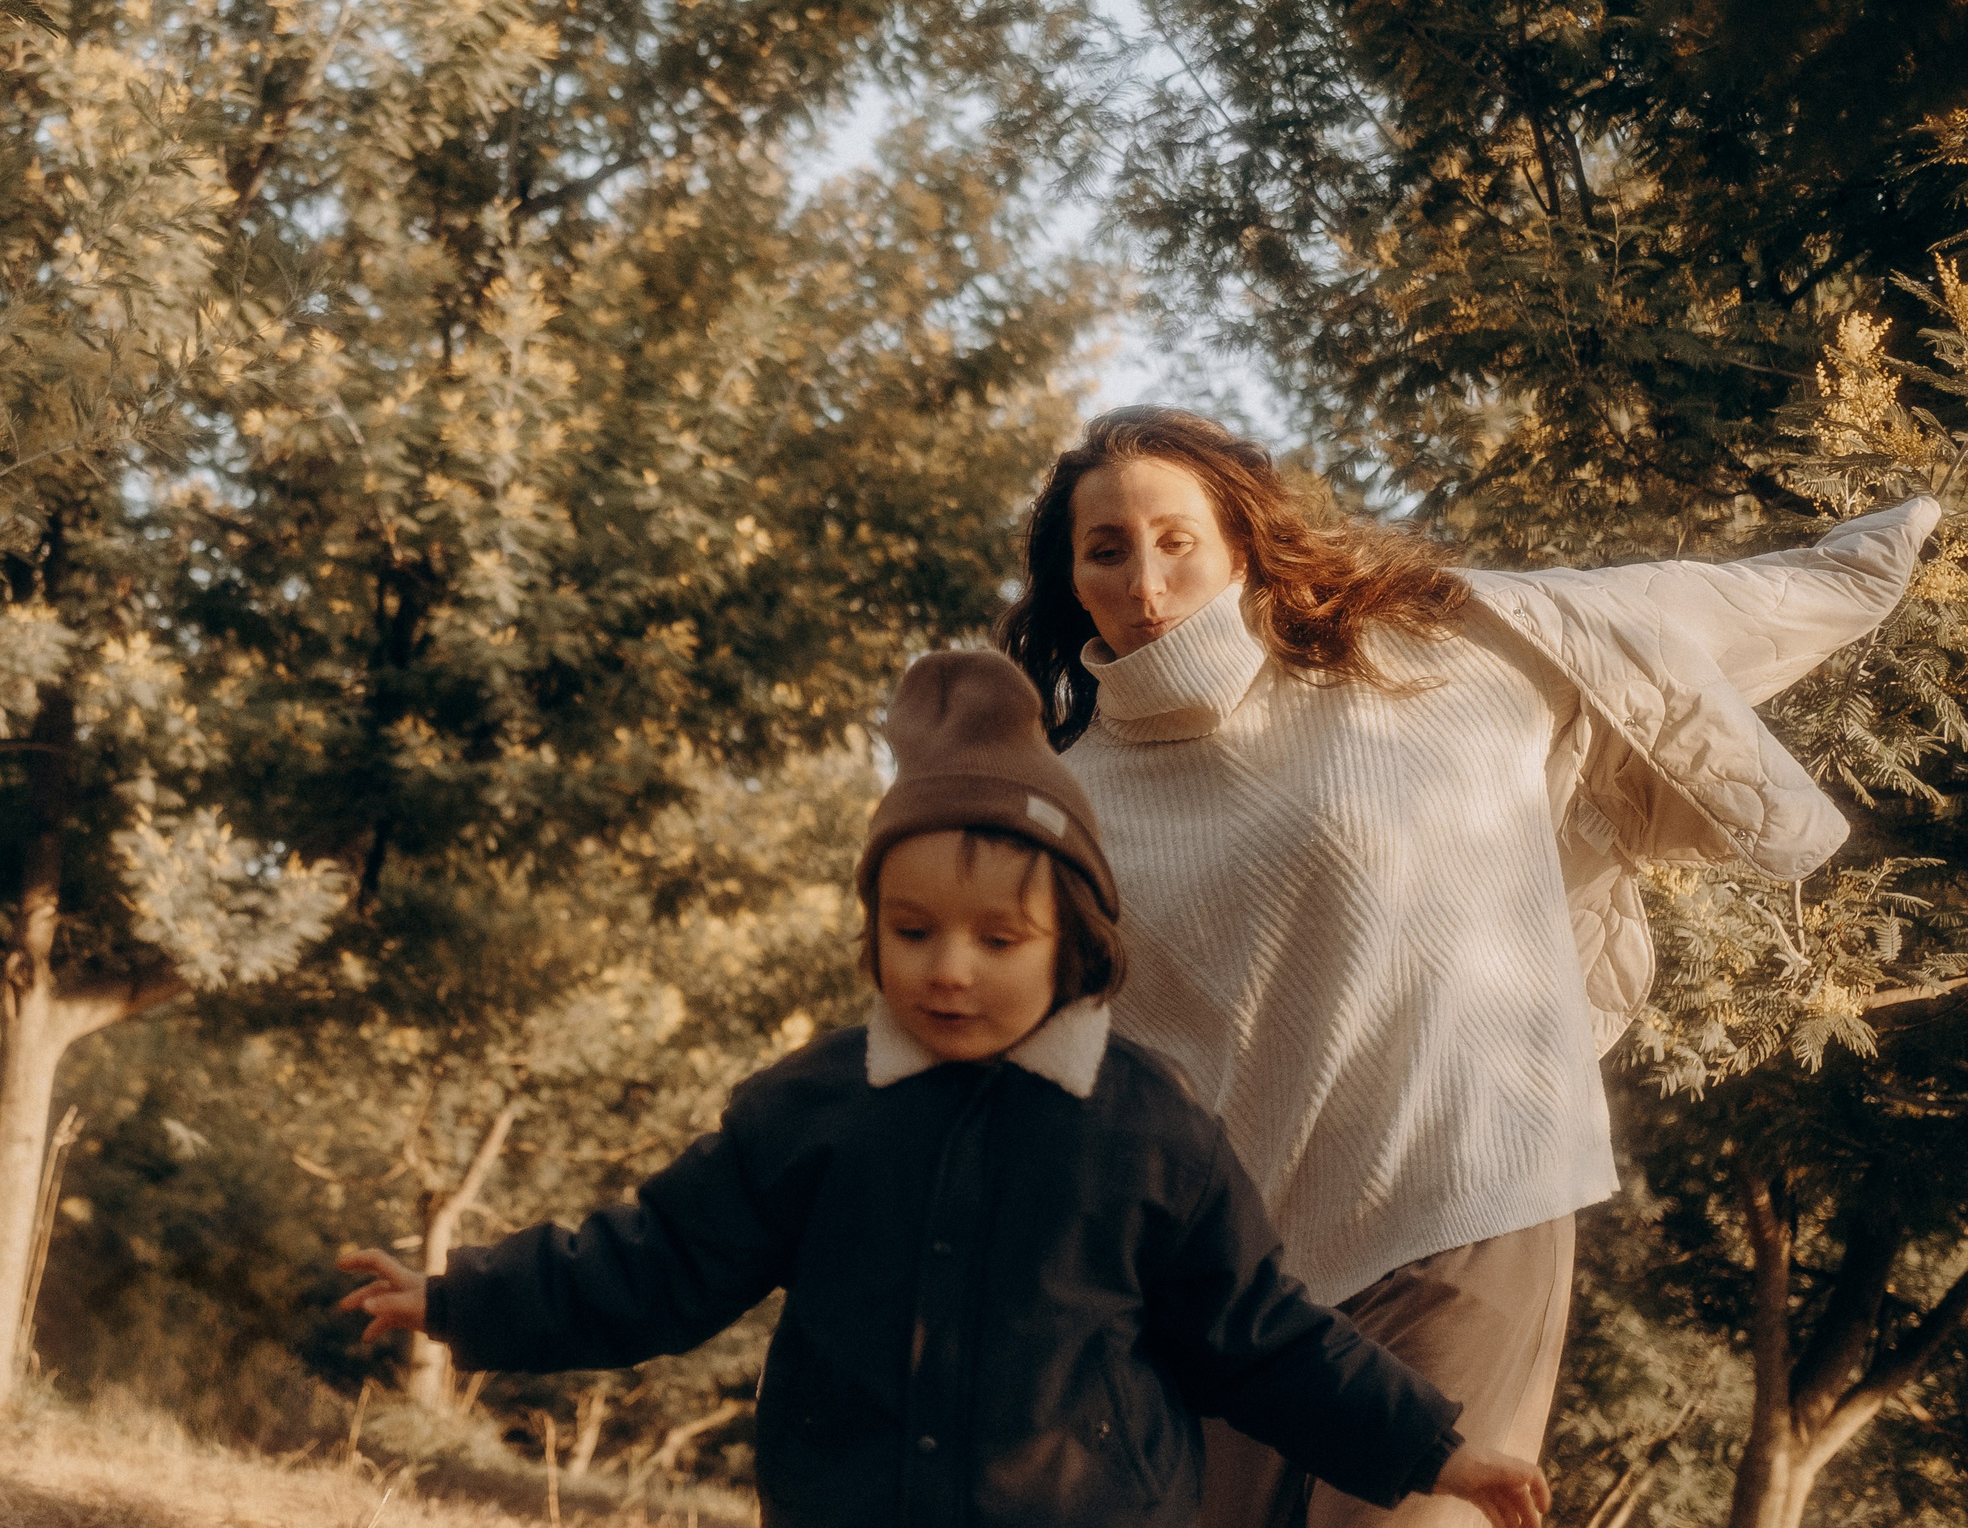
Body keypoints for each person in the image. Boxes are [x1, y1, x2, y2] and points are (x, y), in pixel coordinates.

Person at [338, 650, 1553, 1528]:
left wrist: (1436, 1448)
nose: (949, 968)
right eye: (911, 928)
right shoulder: (809, 1107)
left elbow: (1263, 1337)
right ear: (871, 926)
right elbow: (652, 1263)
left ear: (1072, 941)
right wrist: (461, 1297)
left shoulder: (1147, 1126)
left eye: (996, 937)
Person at [996, 406, 1940, 1528]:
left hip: (1468, 1190)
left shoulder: (1430, 651)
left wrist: (1871, 553)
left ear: (1243, 540)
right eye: (1106, 548)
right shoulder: (1065, 803)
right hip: (1236, 1295)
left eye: (1175, 537)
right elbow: (1045, 1069)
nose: (1145, 578)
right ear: (1071, 578)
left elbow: (1664, 613)